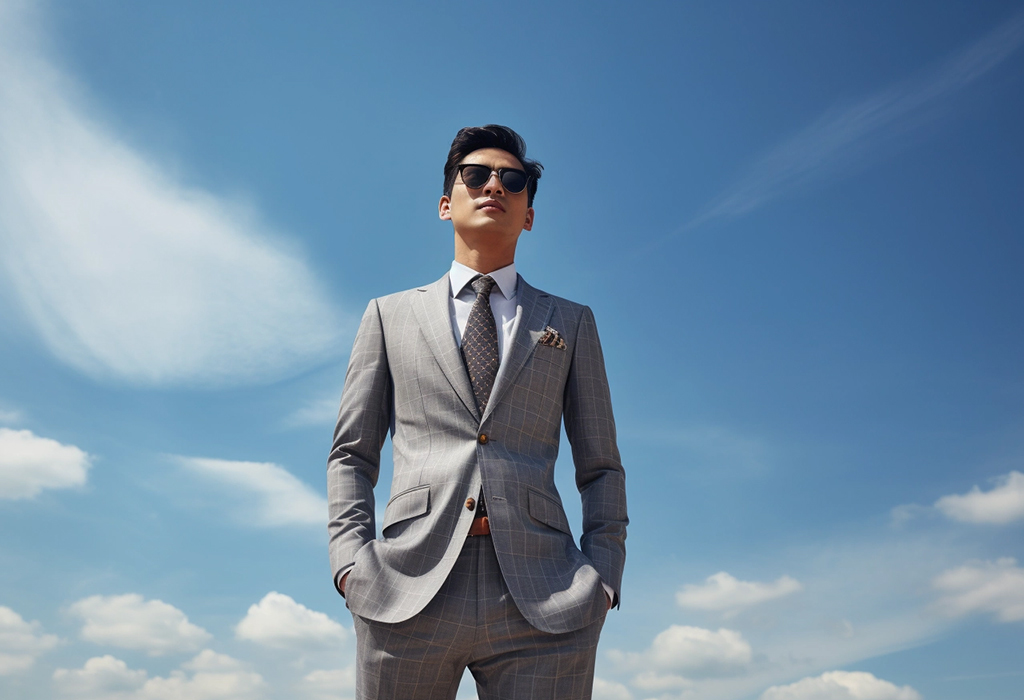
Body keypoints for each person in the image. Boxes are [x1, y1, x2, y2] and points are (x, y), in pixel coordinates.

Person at [327, 124, 627, 699]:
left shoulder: (571, 322)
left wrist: (603, 577)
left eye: (513, 181)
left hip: (548, 595)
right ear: (446, 204)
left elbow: (601, 466)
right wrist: (350, 562)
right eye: (476, 175)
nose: (495, 186)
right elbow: (352, 453)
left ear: (530, 216)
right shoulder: (388, 316)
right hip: (406, 586)